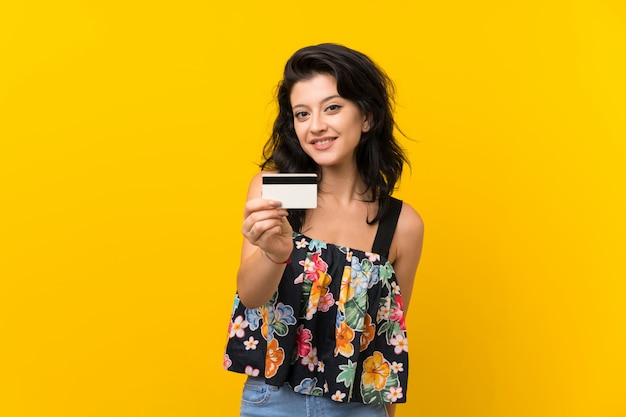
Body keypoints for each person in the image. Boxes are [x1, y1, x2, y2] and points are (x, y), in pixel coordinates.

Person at [223, 43, 424, 417]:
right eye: (302, 113)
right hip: (273, 401)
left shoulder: (402, 224)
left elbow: (386, 342)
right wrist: (275, 252)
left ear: (367, 117)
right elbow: (250, 296)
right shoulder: (276, 190)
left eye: (332, 107)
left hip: (361, 409)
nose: (315, 125)